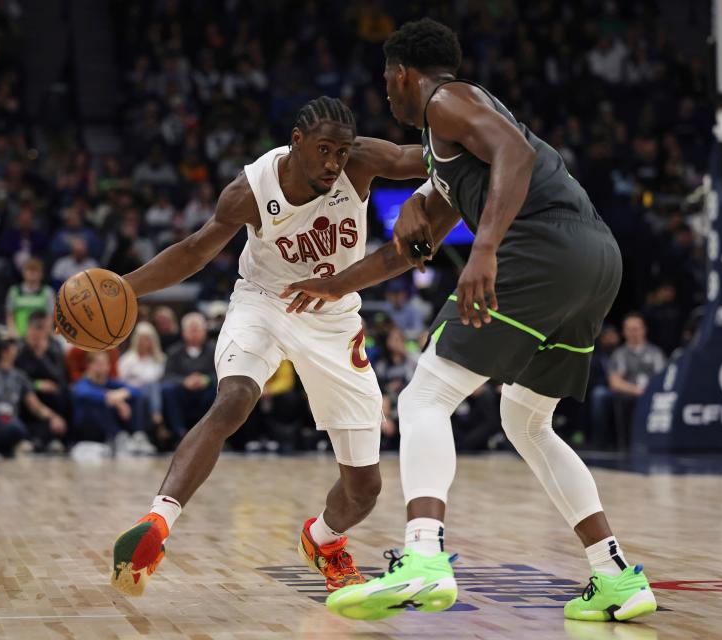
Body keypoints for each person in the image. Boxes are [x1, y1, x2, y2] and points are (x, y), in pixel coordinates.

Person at [281, 20, 656, 622]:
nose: (385, 94)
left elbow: (517, 152)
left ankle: (424, 557)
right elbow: (404, 249)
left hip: (538, 250)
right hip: (594, 260)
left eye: (385, 81)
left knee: (423, 398)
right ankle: (615, 576)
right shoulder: (448, 155)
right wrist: (334, 284)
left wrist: (483, 249)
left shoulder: (448, 101)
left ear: (403, 73)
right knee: (528, 422)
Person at [97, 97, 428, 597]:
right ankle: (158, 522)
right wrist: (125, 287)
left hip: (334, 319)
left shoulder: (361, 162)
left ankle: (323, 540)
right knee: (234, 399)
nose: (334, 163)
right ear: (296, 143)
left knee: (364, 491)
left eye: (341, 152)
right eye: (323, 151)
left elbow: (423, 157)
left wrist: (489, 137)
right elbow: (193, 252)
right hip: (264, 302)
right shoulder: (250, 191)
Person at [71, 351, 152, 451]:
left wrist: (123, 394)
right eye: (98, 363)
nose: (101, 367)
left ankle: (138, 436)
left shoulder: (110, 382)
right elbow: (83, 393)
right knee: (96, 403)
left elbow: (136, 391)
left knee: (140, 399)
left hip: (114, 422)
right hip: (87, 428)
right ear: (89, 365)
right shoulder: (83, 383)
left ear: (109, 366)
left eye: (104, 363)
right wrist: (116, 401)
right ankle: (118, 436)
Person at [608, 313, 666, 446]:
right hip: (630, 394)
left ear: (644, 330)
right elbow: (615, 382)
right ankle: (624, 444)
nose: (633, 333)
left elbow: (663, 378)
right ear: (624, 332)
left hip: (653, 393)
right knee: (621, 399)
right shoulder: (620, 354)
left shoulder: (655, 353)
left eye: (636, 329)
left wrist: (650, 391)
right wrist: (635, 390)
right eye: (629, 329)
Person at [162, 312, 215, 437]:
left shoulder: (215, 350)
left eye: (197, 329)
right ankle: (179, 433)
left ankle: (211, 433)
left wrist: (205, 379)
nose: (194, 333)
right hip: (183, 393)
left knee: (219, 388)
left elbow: (221, 373)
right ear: (183, 332)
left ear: (204, 331)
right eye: (191, 330)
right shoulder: (174, 352)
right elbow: (167, 376)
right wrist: (184, 381)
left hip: (207, 392)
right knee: (167, 389)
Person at [117, 322, 167, 430]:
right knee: (150, 387)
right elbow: (120, 379)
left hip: (154, 390)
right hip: (132, 390)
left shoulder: (160, 358)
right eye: (143, 339)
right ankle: (156, 415)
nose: (146, 342)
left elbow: (161, 378)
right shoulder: (128, 359)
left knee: (154, 386)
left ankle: (157, 419)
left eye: (149, 339)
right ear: (136, 340)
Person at [5, 257, 54, 338]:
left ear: (41, 274)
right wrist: (13, 332)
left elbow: (50, 317)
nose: (32, 273)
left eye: (35, 270)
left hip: (40, 336)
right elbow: (10, 315)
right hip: (19, 336)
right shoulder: (14, 291)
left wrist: (45, 334)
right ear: (23, 272)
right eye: (29, 270)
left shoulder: (47, 292)